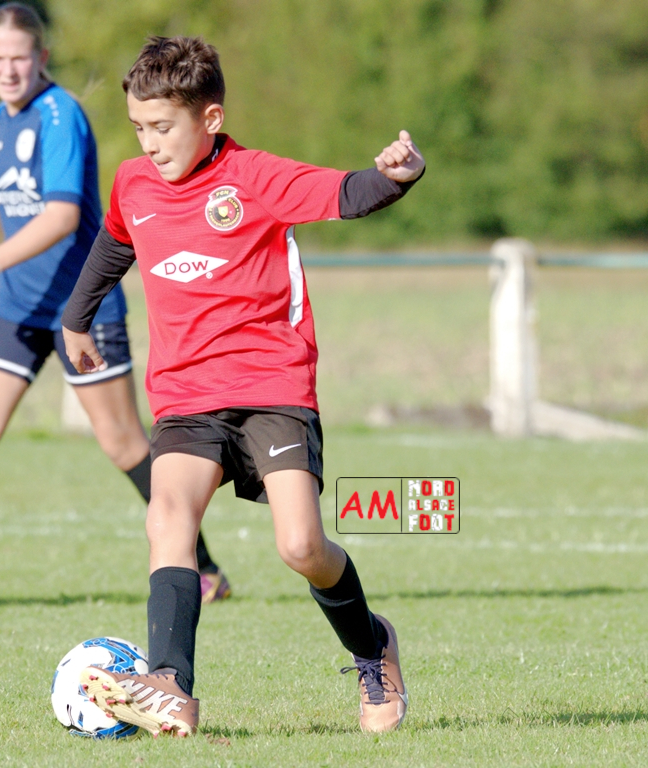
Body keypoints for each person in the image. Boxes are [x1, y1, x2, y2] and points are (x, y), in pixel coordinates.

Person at [59, 36, 425, 736]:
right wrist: (76, 318)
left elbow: (346, 193)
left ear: (211, 118)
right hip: (186, 395)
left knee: (301, 547)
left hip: (271, 386)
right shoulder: (134, 183)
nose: (150, 143)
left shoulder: (254, 177)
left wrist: (397, 176)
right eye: (139, 128)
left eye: (163, 127)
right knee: (167, 518)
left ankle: (372, 645)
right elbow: (114, 243)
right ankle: (170, 685)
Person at [0, 4, 230, 609]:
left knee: (123, 442)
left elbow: (59, 217)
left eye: (20, 57)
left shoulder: (61, 115)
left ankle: (206, 568)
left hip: (81, 309)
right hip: (16, 306)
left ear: (41, 58)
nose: (8, 69)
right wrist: (1, 273)